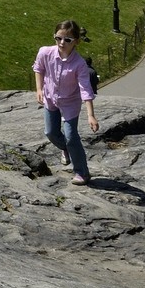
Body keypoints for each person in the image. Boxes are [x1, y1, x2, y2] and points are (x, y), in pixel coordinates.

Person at [33, 20, 99, 186]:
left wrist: (90, 115)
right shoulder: (45, 52)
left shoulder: (79, 64)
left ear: (76, 41)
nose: (62, 43)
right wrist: (39, 89)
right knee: (50, 132)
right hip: (50, 98)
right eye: (58, 38)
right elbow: (38, 69)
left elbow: (85, 89)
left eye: (68, 40)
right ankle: (66, 150)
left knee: (71, 136)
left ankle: (82, 172)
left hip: (70, 102)